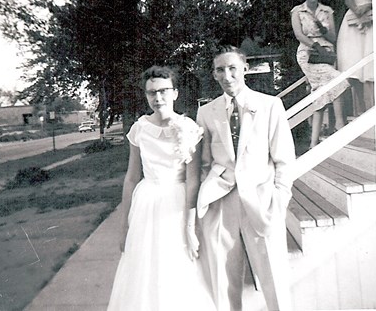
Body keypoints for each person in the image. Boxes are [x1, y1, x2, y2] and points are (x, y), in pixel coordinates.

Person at [107, 65, 215, 311]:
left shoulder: (188, 128)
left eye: (164, 91)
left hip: (178, 203)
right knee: (145, 267)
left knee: (176, 265)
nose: (157, 98)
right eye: (151, 93)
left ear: (175, 93)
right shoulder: (140, 128)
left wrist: (190, 225)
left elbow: (193, 178)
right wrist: (125, 224)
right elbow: (132, 177)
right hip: (147, 201)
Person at [196, 45, 296, 311]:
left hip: (262, 200)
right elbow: (205, 163)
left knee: (273, 273)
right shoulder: (206, 112)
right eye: (220, 70)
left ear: (245, 69)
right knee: (224, 279)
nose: (227, 76)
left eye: (232, 68)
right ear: (214, 74)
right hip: (221, 201)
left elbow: (284, 159)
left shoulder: (269, 105)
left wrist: (279, 199)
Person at [291, 0, 350, 148]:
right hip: (308, 53)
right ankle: (340, 125)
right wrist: (316, 45)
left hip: (327, 54)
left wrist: (323, 30)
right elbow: (299, 35)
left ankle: (313, 143)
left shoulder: (327, 11)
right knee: (337, 80)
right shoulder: (298, 12)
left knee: (321, 95)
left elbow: (333, 37)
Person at [337, 0, 373, 114]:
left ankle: (374, 109)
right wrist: (358, 10)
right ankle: (361, 110)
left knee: (371, 67)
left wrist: (370, 5)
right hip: (353, 22)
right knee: (354, 66)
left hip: (373, 21)